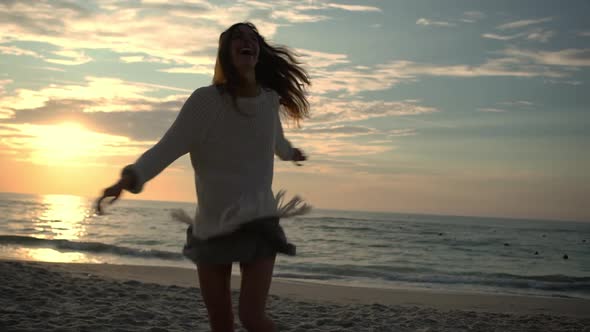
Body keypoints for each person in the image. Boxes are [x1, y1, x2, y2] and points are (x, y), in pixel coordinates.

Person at [96, 22, 311, 332]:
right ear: (225, 53)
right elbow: (165, 149)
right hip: (212, 228)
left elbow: (276, 141)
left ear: (259, 52)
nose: (246, 41)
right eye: (237, 37)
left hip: (260, 222)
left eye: (253, 38)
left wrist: (292, 154)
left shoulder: (269, 102)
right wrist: (126, 180)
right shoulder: (205, 102)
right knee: (220, 323)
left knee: (252, 317)